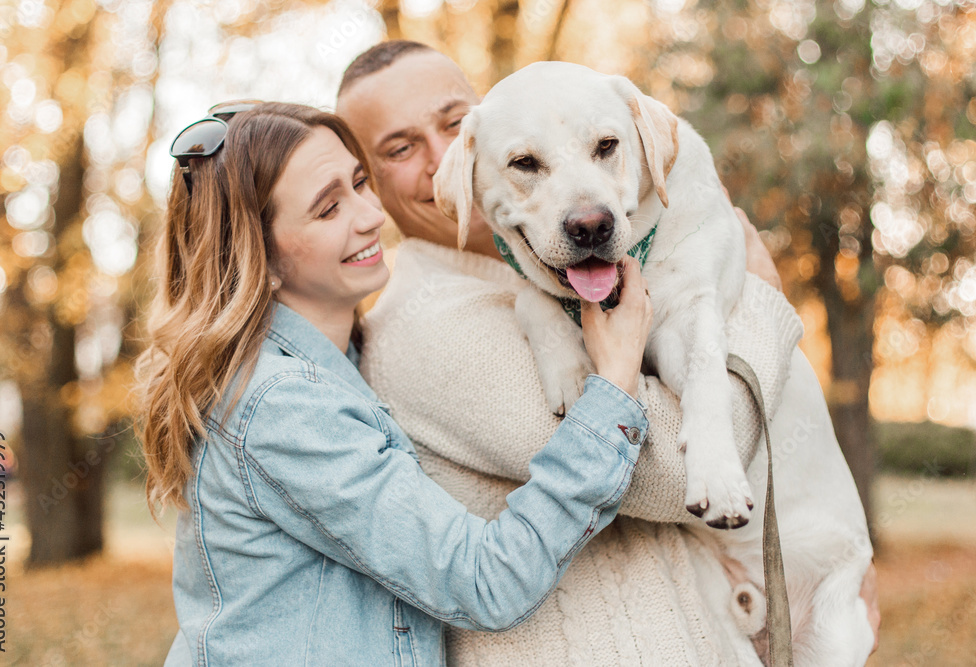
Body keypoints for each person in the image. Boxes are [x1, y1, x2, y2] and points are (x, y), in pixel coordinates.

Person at [337, 41, 880, 665]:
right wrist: (761, 303)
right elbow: (676, 476)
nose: (443, 158)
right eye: (399, 149)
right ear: (366, 181)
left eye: (456, 123)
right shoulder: (428, 326)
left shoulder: (541, 272)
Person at [138, 102, 657, 665]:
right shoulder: (282, 405)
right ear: (258, 261)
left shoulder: (336, 364)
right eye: (328, 208)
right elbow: (484, 581)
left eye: (360, 183)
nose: (369, 215)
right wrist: (614, 383)